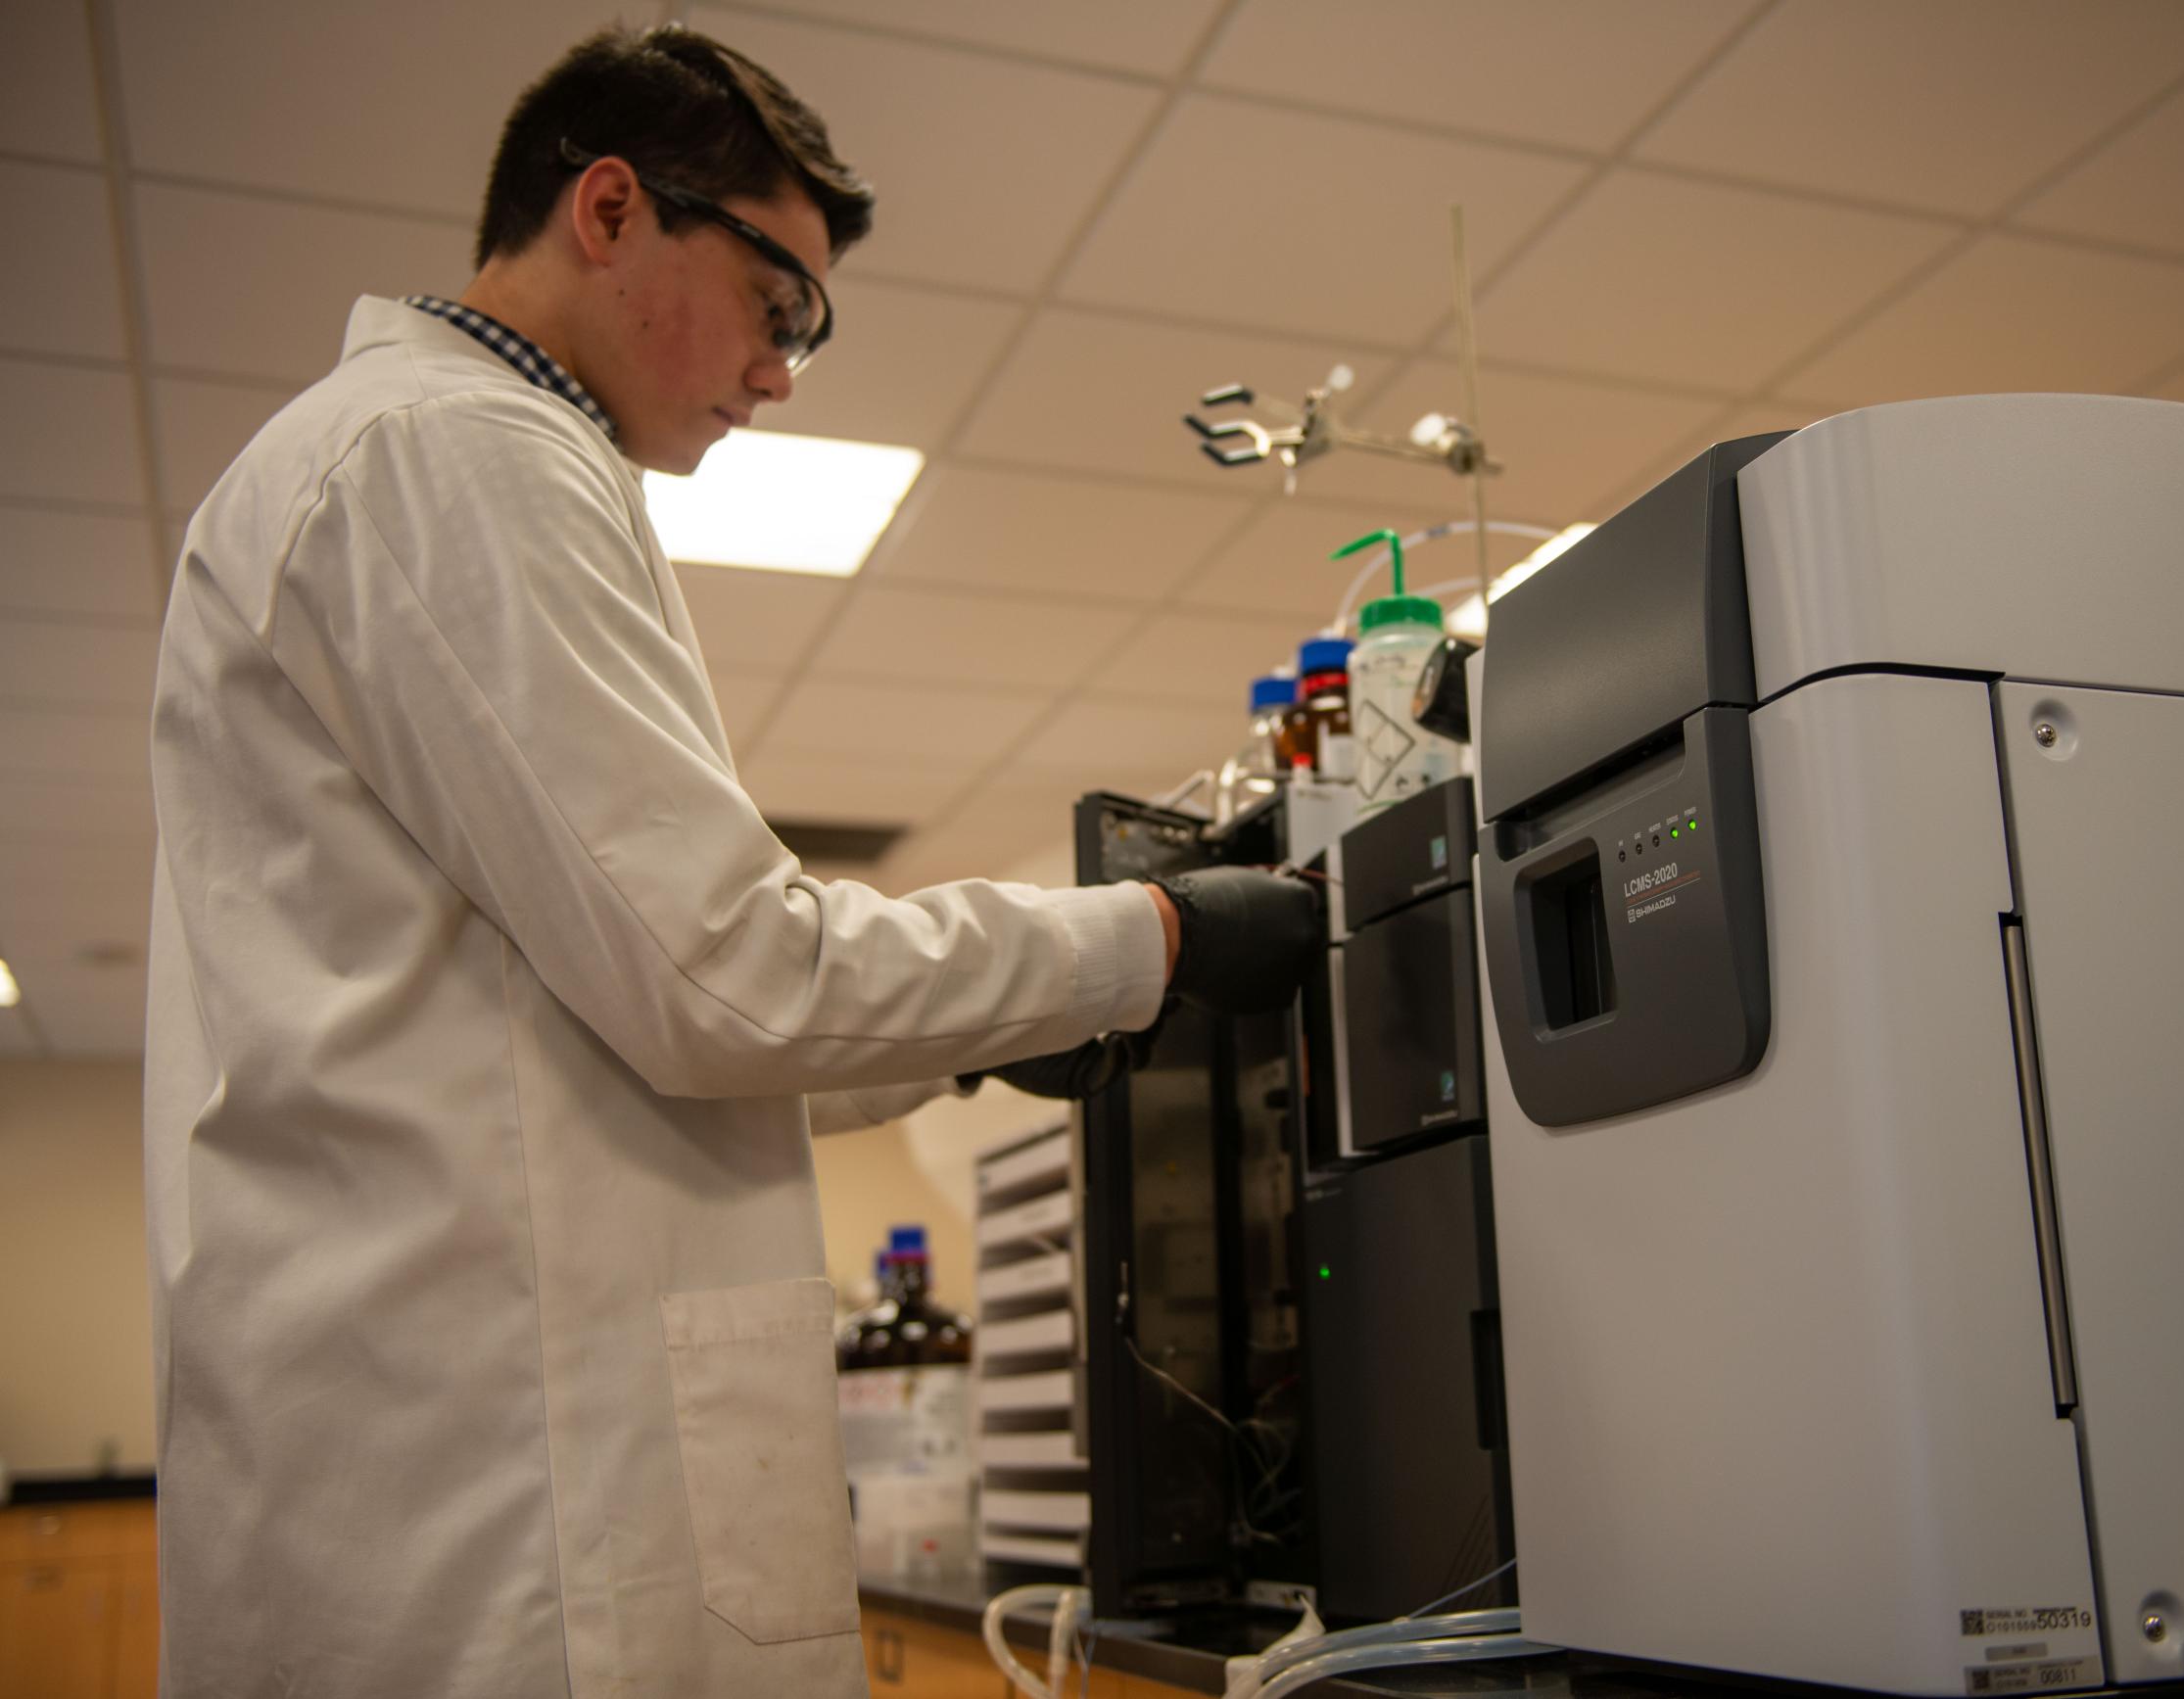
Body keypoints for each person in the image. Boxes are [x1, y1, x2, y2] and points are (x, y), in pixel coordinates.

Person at [141, 24, 1317, 1698]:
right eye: (782, 306)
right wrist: (1150, 942)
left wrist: (978, 1041)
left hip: (470, 1487)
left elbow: (611, 1026)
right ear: (610, 209)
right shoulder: (453, 454)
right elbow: (722, 983)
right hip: (509, 1535)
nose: (781, 370)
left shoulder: (440, 460)